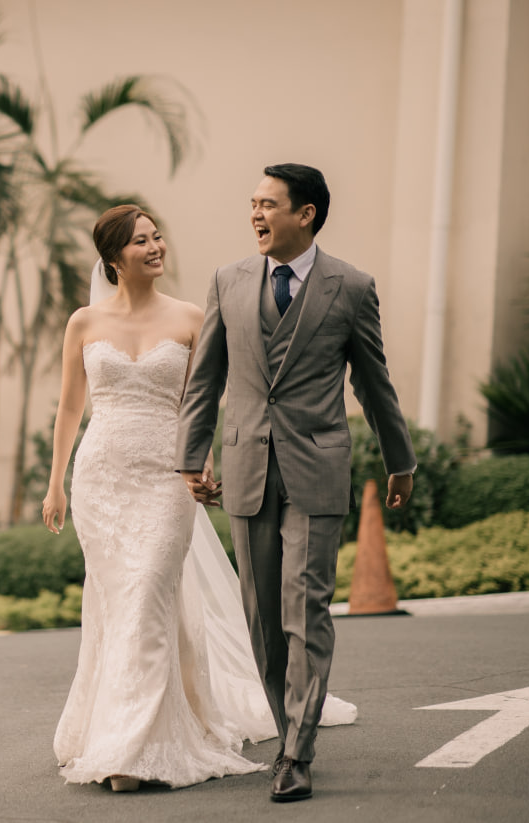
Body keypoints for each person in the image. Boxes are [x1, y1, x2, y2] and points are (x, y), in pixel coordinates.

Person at [42, 205, 355, 793]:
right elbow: (67, 408)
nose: (156, 247)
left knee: (148, 595)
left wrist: (203, 462)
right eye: (141, 241)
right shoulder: (83, 322)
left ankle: (134, 746)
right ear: (114, 259)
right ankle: (117, 734)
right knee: (118, 604)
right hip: (102, 479)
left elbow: (205, 398)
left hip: (167, 478)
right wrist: (56, 481)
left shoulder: (191, 316)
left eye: (157, 236)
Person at [176, 164, 416, 802]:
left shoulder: (351, 286)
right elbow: (206, 379)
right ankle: (287, 731)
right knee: (260, 617)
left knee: (304, 608)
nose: (255, 214)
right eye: (251, 204)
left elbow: (373, 379)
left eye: (268, 204)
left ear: (305, 214)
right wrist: (190, 458)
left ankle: (298, 752)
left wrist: (400, 459)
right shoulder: (228, 280)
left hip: (316, 466)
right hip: (246, 468)